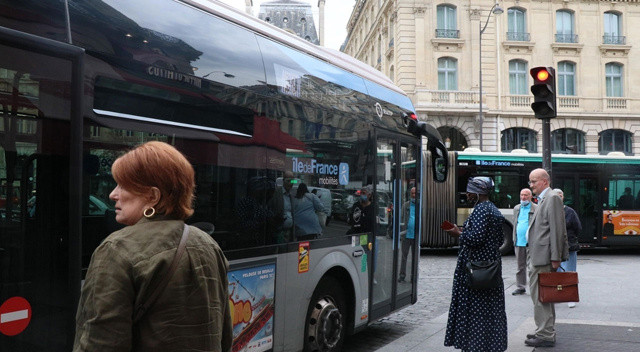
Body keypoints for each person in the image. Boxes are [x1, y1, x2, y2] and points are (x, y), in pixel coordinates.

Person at [74, 141, 232, 352]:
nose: (113, 194)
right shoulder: (209, 245)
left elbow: (99, 344)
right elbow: (224, 337)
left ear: (152, 196)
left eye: (122, 185)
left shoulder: (116, 249)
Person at [443, 177, 507, 352]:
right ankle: (488, 344)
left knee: (474, 309)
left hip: (476, 270)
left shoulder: (481, 210)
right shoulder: (493, 209)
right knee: (489, 310)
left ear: (478, 192)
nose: (467, 194)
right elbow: (498, 239)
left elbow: (476, 239)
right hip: (490, 268)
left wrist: (458, 233)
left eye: (470, 191)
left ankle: (475, 345)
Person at [525, 168, 569, 348]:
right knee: (545, 296)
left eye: (534, 181)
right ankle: (544, 329)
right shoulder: (545, 198)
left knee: (541, 297)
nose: (531, 185)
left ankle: (545, 334)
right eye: (530, 181)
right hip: (539, 256)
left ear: (545, 181)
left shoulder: (551, 198)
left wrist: (555, 257)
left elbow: (557, 230)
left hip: (543, 258)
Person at [554, 188, 582, 308]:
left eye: (560, 195)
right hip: (554, 247)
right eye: (556, 195)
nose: (559, 197)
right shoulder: (550, 211)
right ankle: (559, 295)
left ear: (563, 197)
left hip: (569, 246)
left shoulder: (570, 211)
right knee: (557, 272)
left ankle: (570, 297)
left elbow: (578, 227)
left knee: (570, 271)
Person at [511, 188, 537, 296]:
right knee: (520, 267)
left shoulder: (536, 208)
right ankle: (520, 287)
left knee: (532, 267)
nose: (523, 197)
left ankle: (533, 288)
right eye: (521, 195)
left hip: (531, 242)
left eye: (526, 195)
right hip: (519, 241)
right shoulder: (517, 208)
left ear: (531, 196)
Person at [398, 187, 416, 283]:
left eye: (415, 193)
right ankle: (402, 275)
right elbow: (401, 218)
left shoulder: (419, 205)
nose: (413, 195)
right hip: (406, 235)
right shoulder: (406, 205)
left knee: (414, 258)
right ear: (410, 194)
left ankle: (413, 277)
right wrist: (401, 232)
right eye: (412, 193)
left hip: (415, 236)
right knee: (404, 257)